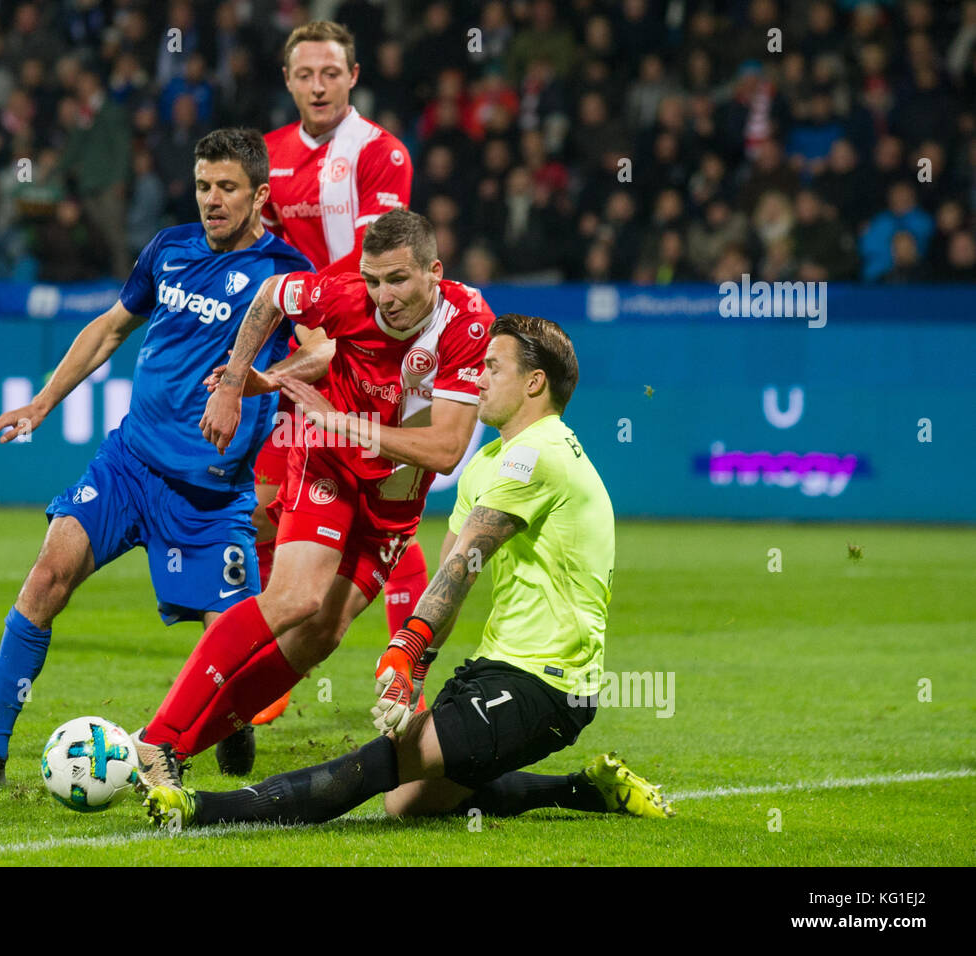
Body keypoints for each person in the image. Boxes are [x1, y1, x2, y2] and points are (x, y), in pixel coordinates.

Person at [143, 314, 675, 826]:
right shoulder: (491, 461)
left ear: (535, 382)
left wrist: (406, 647)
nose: (477, 377)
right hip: (496, 667)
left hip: (549, 684)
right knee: (408, 802)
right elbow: (449, 567)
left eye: (493, 367)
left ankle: (200, 808)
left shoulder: (538, 455)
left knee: (381, 764)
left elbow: (465, 567)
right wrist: (419, 667)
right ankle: (587, 788)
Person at [0, 128, 321, 788]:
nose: (212, 200)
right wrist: (42, 402)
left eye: (227, 188)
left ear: (259, 193)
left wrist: (264, 379)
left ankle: (231, 724)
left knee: (236, 643)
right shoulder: (168, 249)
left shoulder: (286, 271)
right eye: (203, 186)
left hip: (208, 494)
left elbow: (323, 353)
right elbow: (111, 327)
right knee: (46, 577)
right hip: (128, 465)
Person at [130, 209, 492, 789]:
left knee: (322, 632)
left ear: (435, 272)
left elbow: (447, 449)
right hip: (326, 461)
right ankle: (159, 740)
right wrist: (239, 380)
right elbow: (273, 295)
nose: (383, 296)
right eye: (374, 280)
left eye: (398, 280)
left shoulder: (468, 324)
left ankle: (181, 747)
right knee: (295, 597)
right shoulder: (346, 294)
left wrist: (344, 420)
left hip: (392, 499)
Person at [235, 21, 423, 747]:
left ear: (353, 77)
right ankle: (273, 665)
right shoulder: (271, 155)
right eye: (305, 74)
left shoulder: (380, 154)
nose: (318, 85)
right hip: (303, 346)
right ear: (288, 80)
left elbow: (374, 265)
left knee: (372, 502)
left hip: (363, 353)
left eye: (330, 73)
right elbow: (265, 251)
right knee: (262, 506)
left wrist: (319, 328)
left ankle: (403, 655)